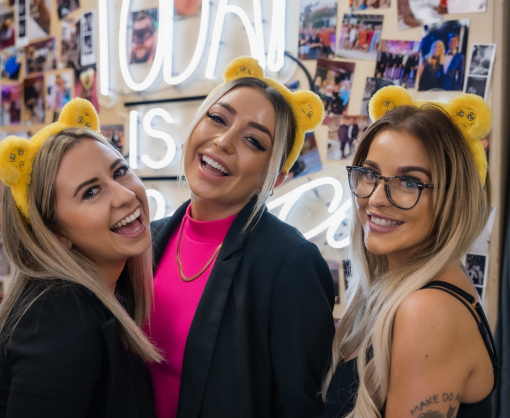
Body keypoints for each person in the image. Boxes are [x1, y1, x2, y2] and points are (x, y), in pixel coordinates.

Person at [145, 57, 335, 418]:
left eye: (253, 140)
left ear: (274, 179)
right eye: (217, 118)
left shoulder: (291, 263)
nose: (223, 141)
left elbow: (300, 408)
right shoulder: (147, 240)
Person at [324, 86, 499, 417]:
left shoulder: (427, 311)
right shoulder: (401, 293)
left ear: (454, 198)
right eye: (370, 174)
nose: (376, 198)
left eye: (409, 182)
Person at [0, 99, 160, 417]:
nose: (126, 195)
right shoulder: (59, 318)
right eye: (90, 192)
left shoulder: (105, 293)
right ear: (55, 234)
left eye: (120, 171)